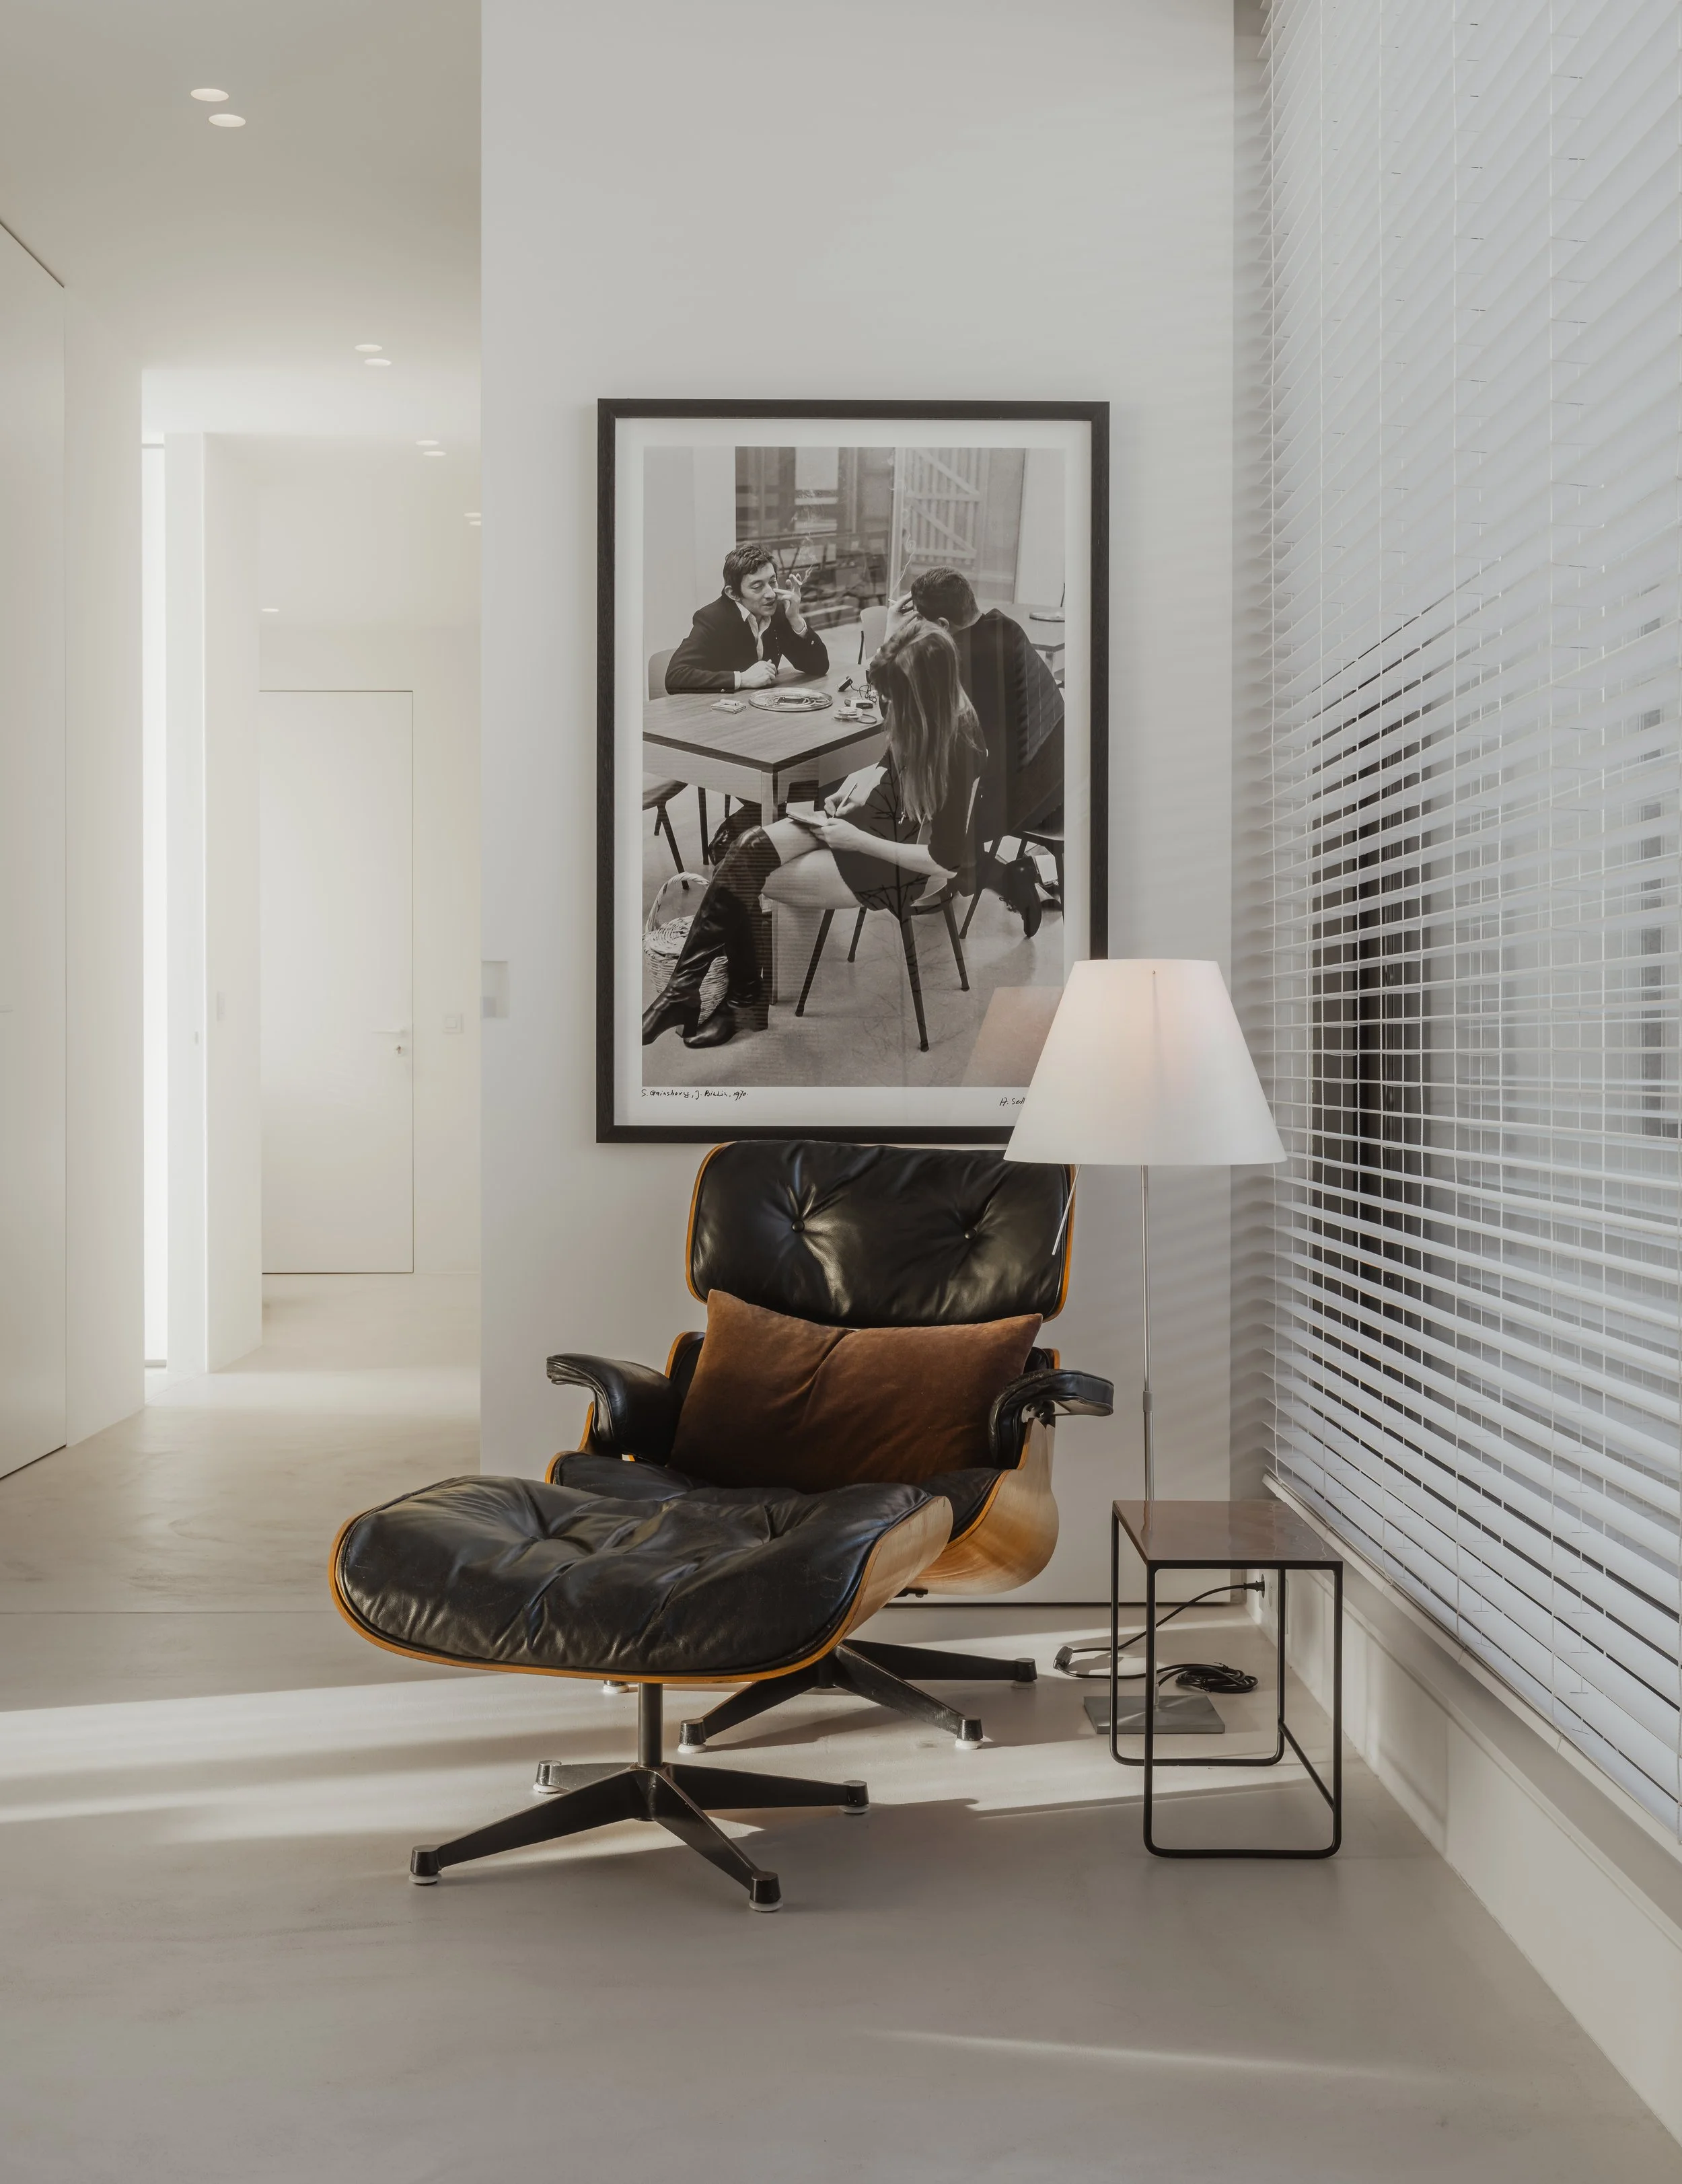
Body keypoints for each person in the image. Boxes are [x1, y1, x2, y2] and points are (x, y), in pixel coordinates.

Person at [643, 617, 984, 1049]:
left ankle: (735, 1001)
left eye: (893, 699)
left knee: (739, 872)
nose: (887, 708)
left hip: (893, 862)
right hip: (870, 825)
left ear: (922, 694)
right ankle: (688, 991)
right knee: (745, 847)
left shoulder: (962, 746)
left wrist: (856, 840)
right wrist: (852, 789)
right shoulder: (928, 710)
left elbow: (944, 862)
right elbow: (888, 765)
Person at [902, 568, 1064, 935]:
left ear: (943, 623)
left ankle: (1007, 878)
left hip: (1033, 792)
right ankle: (963, 879)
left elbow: (905, 702)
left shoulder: (962, 655)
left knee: (925, 806)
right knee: (944, 789)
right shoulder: (1002, 625)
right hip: (1061, 771)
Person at [664, 544, 830, 693]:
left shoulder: (778, 611)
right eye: (758, 587)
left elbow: (818, 667)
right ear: (733, 594)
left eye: (772, 582)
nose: (771, 594)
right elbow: (675, 676)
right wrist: (742, 679)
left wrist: (796, 619)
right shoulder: (712, 619)